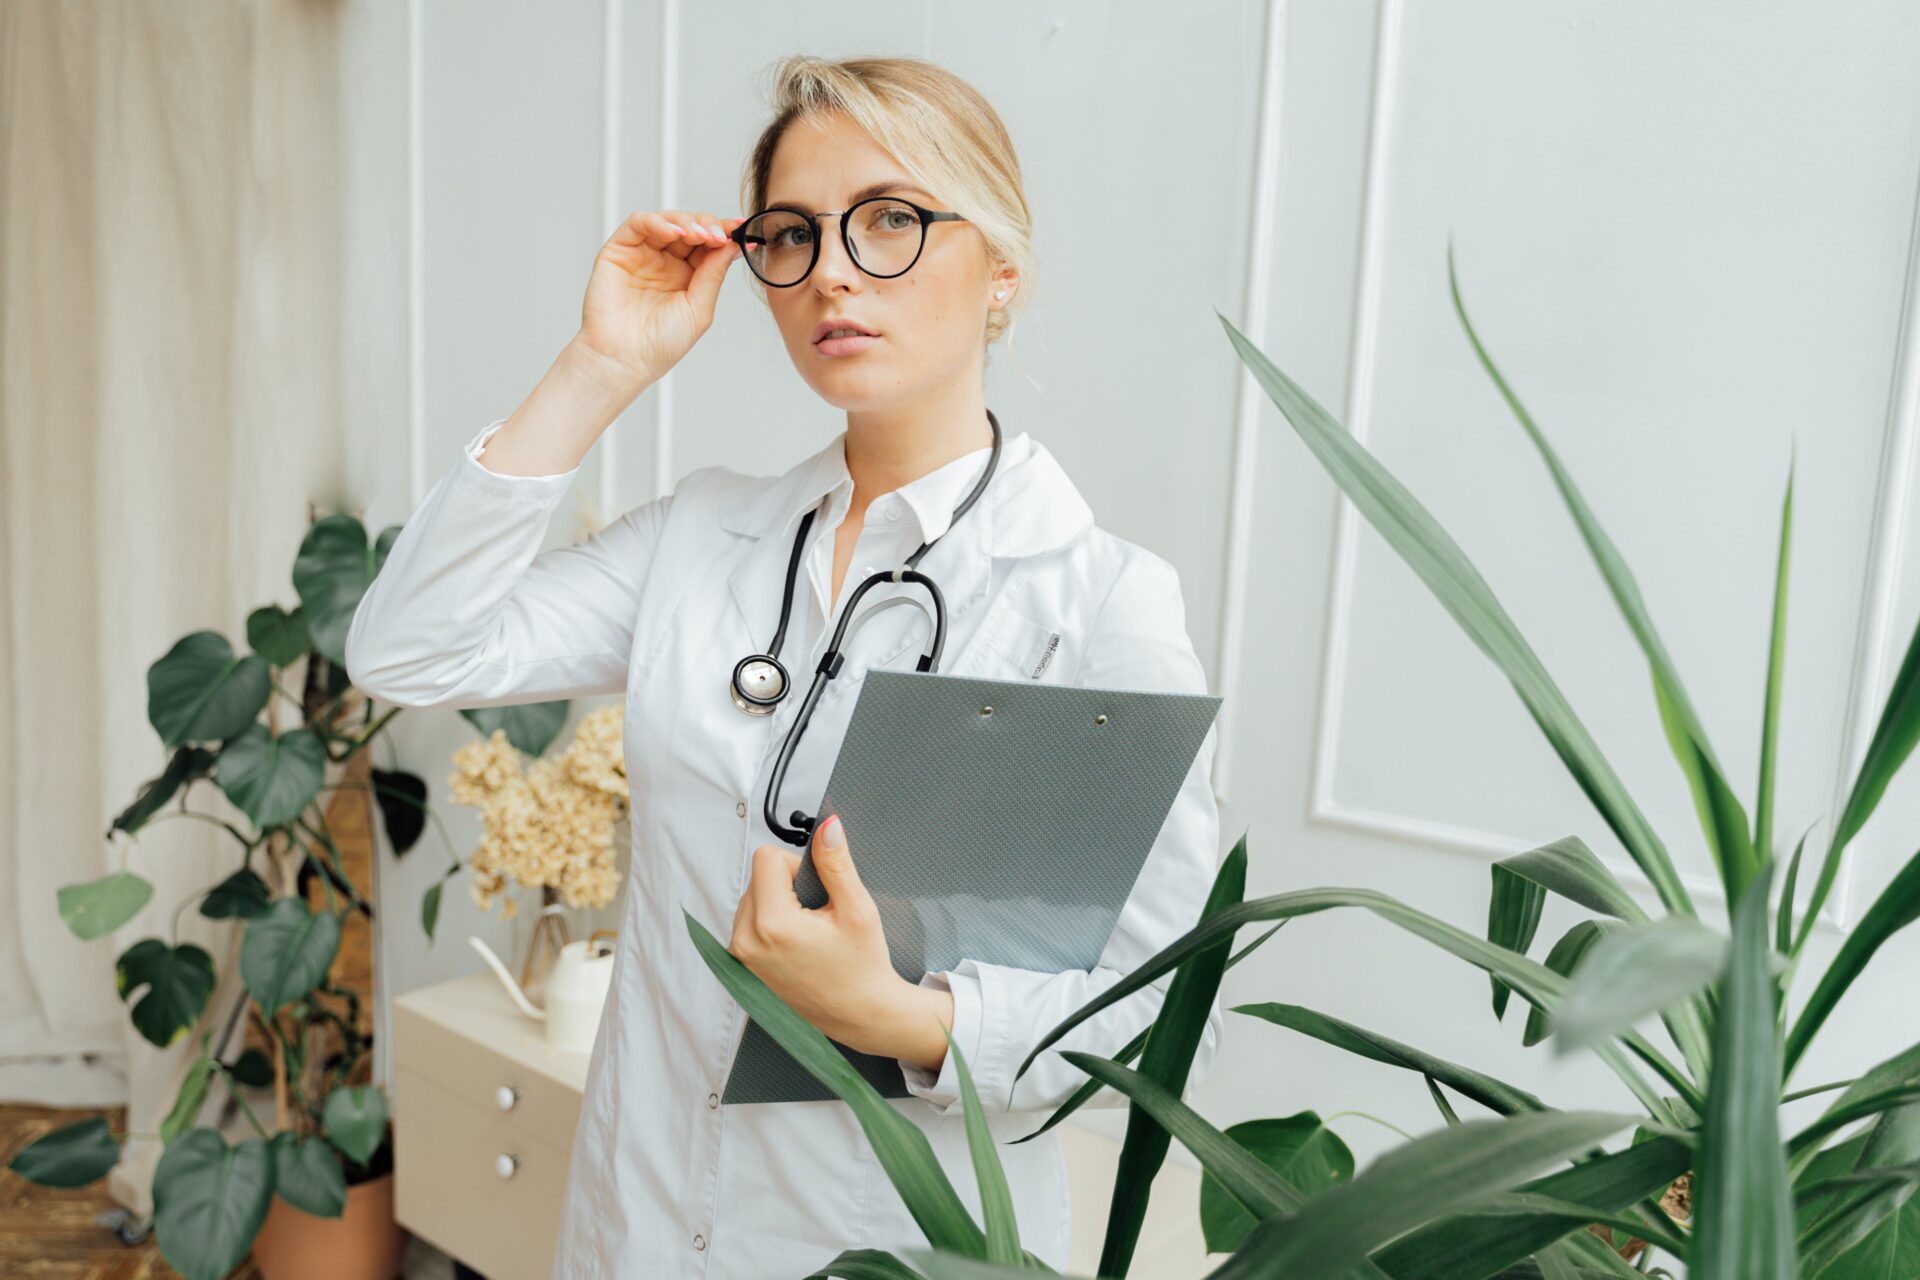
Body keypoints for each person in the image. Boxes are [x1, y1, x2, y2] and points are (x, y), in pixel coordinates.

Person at [345, 53, 1222, 1280]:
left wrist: (906, 1020)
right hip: (638, 1217)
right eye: (793, 235)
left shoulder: (1101, 605)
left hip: (897, 1239)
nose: (834, 273)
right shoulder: (703, 537)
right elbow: (409, 646)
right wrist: (602, 364)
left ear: (1003, 269)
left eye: (893, 221)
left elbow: (1149, 1002)